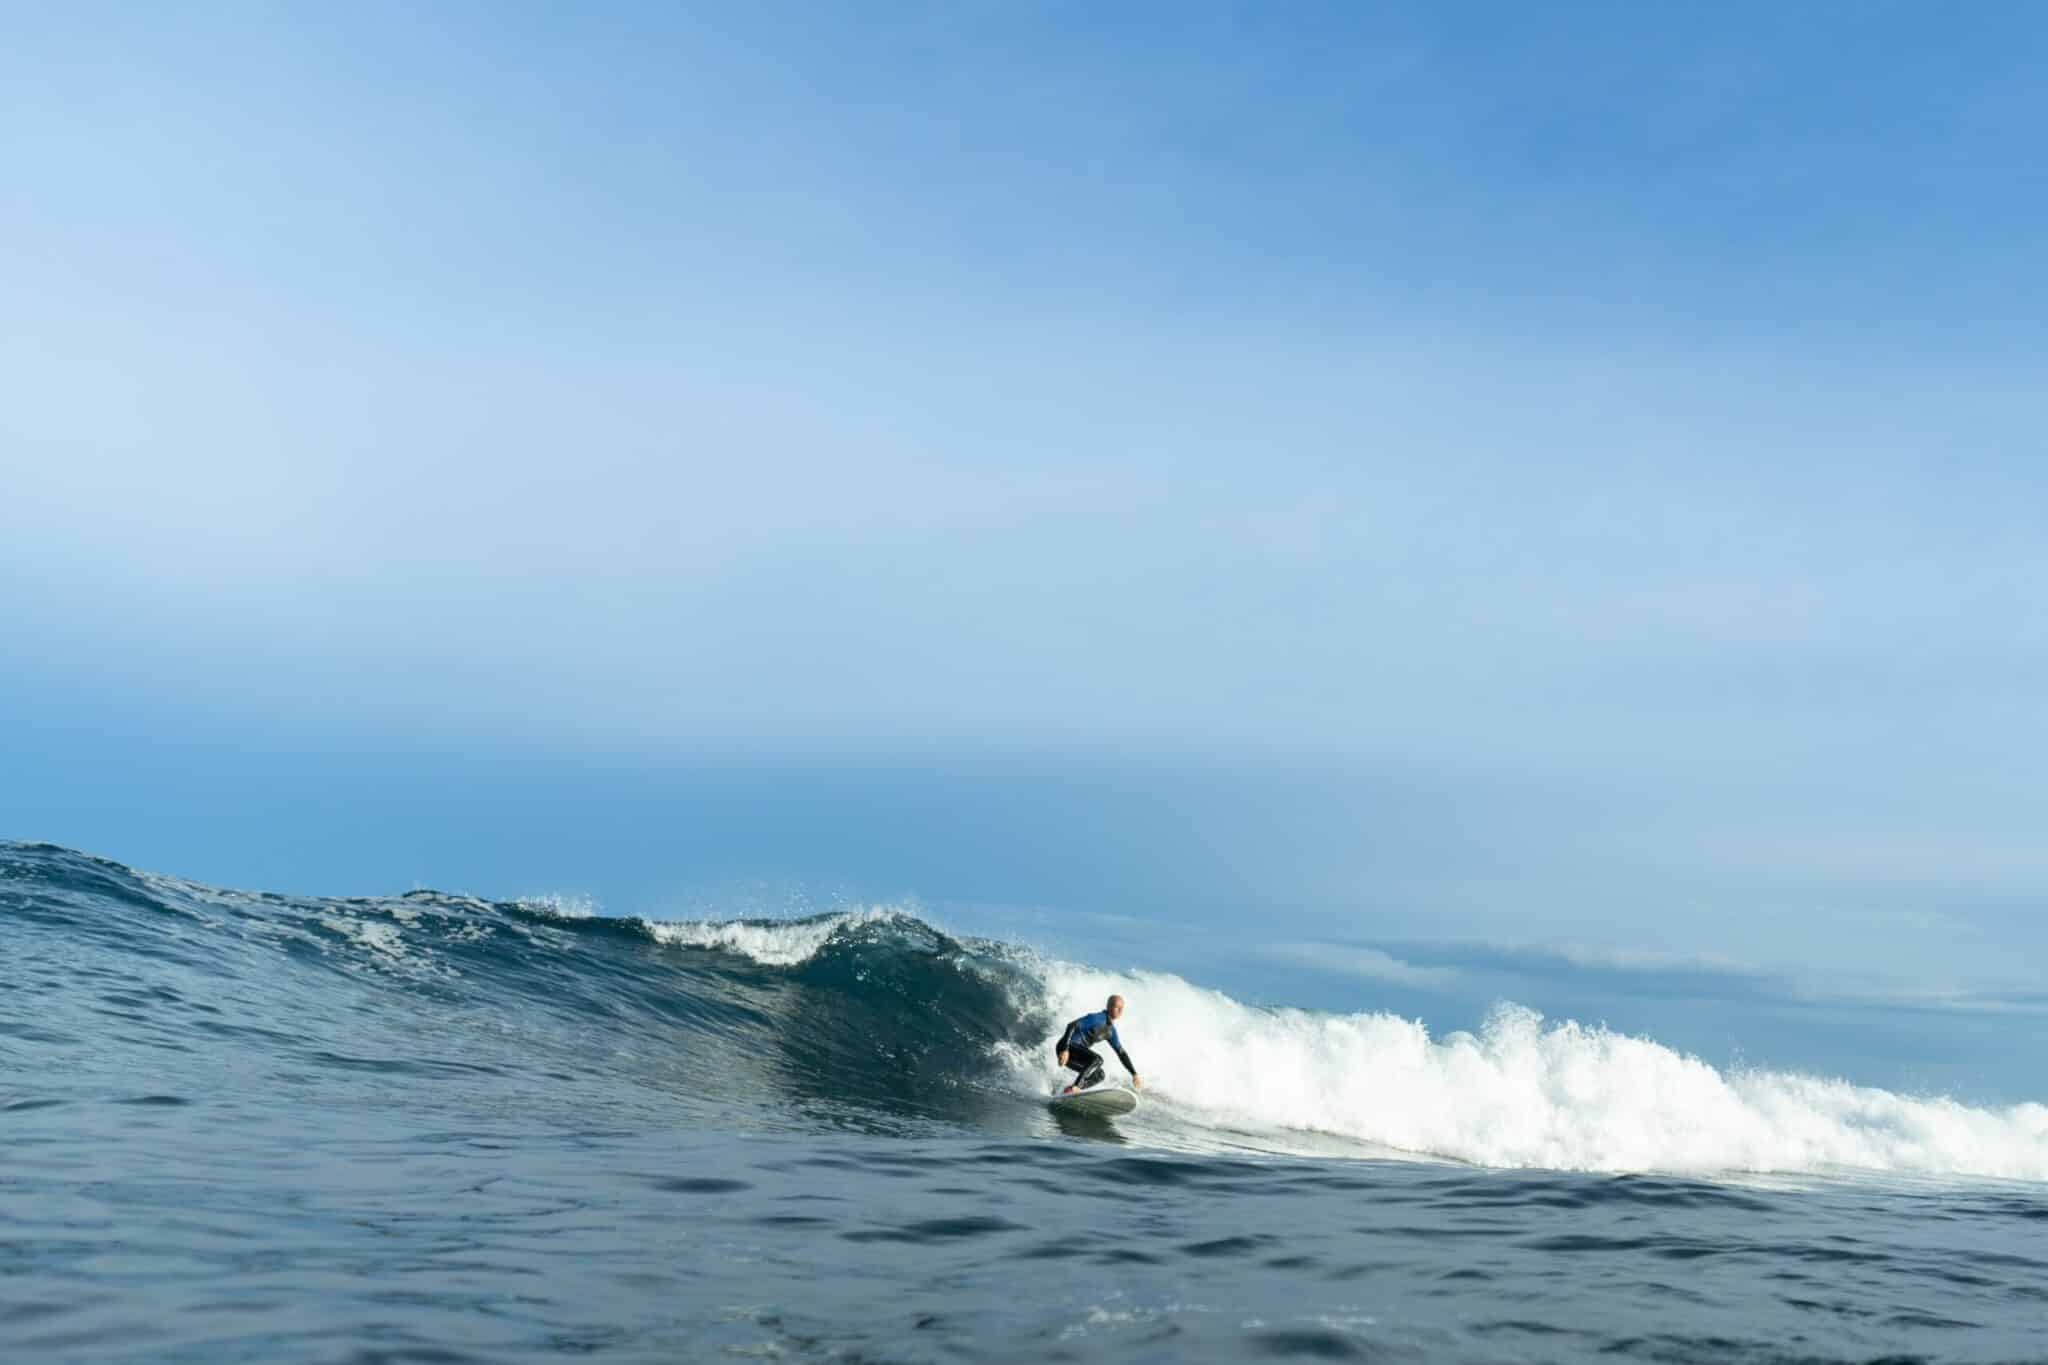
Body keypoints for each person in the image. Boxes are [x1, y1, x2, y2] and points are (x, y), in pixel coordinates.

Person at [1055, 994, 1142, 1094]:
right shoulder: (1097, 1018)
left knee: (1100, 1074)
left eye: (1121, 1008)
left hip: (1075, 1055)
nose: (1120, 1011)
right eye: (1117, 1007)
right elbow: (1072, 1025)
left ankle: (1069, 1091)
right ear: (1108, 1006)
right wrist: (1065, 1049)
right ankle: (1076, 1087)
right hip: (1067, 1046)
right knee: (1098, 1059)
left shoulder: (1111, 1031)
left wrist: (1134, 1074)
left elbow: (1121, 1053)